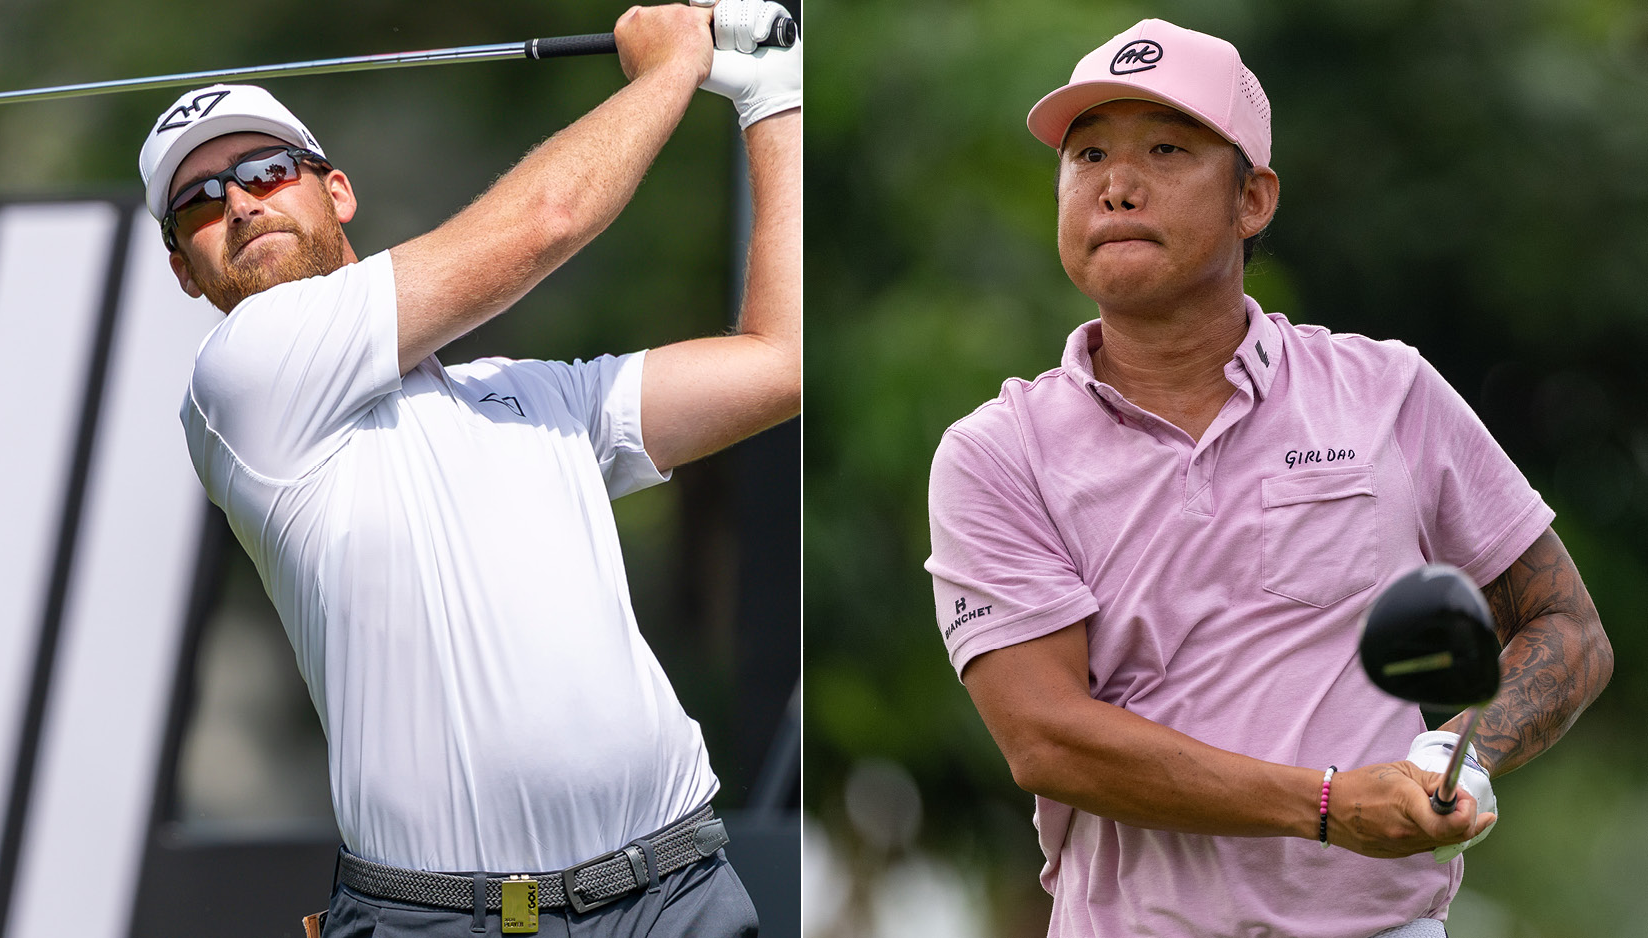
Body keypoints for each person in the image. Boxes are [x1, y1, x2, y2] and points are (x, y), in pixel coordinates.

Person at [924, 18, 1612, 938]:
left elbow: (1566, 629)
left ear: (1253, 198)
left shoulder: (1387, 392)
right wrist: (1325, 804)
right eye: (1087, 156)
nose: (1117, 186)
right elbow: (1049, 739)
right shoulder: (996, 451)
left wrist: (1458, 757)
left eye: (1165, 150)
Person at [136, 1, 799, 935]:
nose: (239, 203)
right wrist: (670, 69)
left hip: (674, 891)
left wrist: (774, 100)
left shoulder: (529, 393)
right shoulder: (242, 384)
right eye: (199, 202)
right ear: (182, 268)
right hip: (445, 921)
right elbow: (546, 219)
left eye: (264, 171)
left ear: (336, 191)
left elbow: (780, 363)